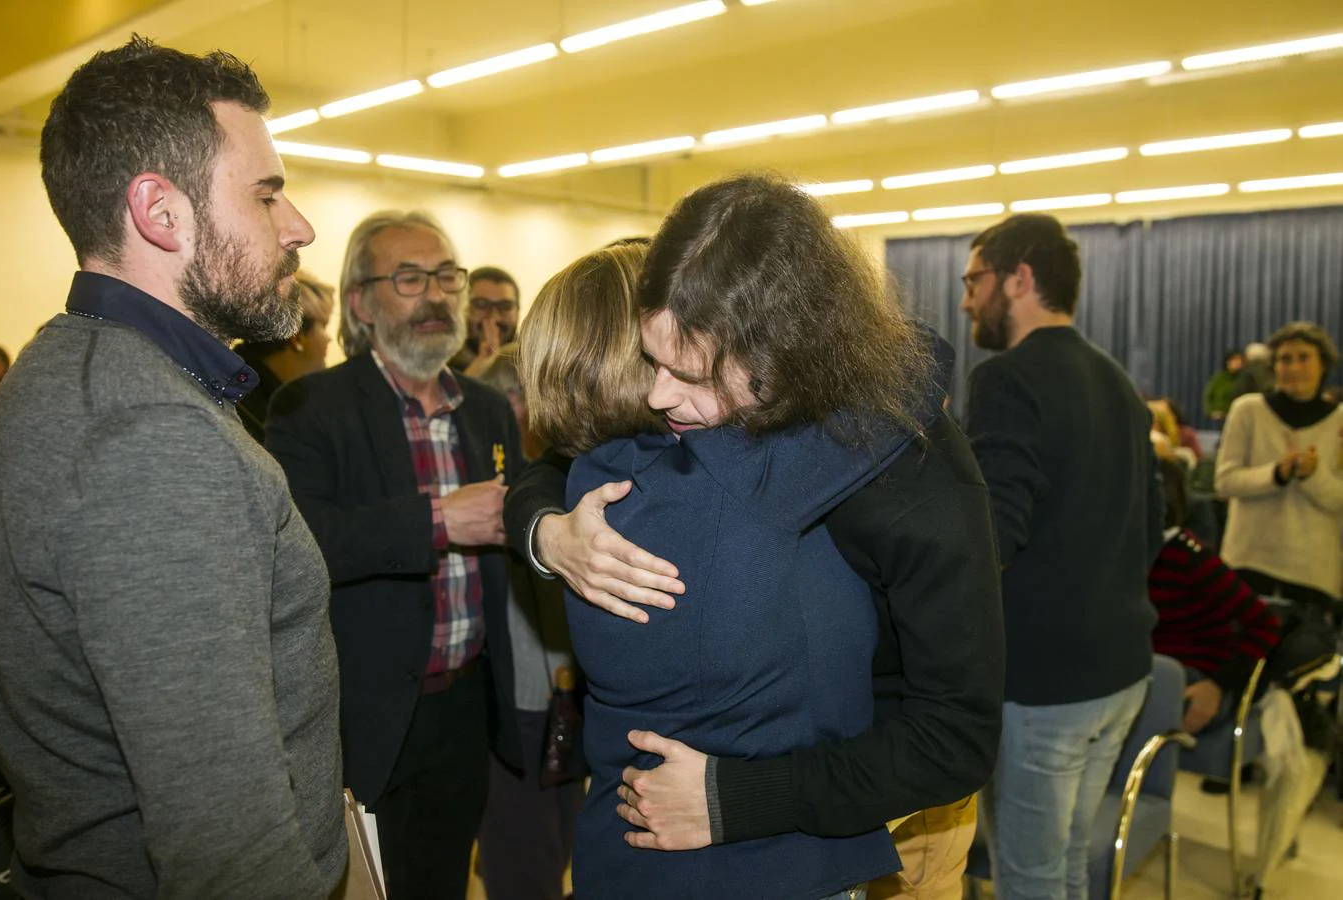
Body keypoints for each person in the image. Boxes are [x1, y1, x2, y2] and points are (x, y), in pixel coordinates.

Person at [506, 175, 1004, 900]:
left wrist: (737, 798)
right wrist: (546, 535)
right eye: (652, 361)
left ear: (784, 349)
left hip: (882, 790)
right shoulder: (712, 425)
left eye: (689, 373)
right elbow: (555, 461)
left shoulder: (910, 474)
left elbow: (954, 740)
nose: (657, 396)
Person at [0, 38, 344, 896]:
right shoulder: (154, 439)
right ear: (161, 211)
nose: (298, 226)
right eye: (266, 194)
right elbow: (227, 848)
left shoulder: (65, 368)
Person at [263, 209, 524, 900]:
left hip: (466, 710)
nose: (436, 295)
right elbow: (302, 544)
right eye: (409, 278)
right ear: (361, 303)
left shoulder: (487, 410)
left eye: (447, 276)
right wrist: (439, 519)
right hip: (367, 715)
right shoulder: (309, 408)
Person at [958, 213, 1161, 900]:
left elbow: (993, 538)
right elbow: (1154, 528)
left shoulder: (1006, 381)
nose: (965, 300)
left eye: (974, 279)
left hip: (1045, 686)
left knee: (1031, 877)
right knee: (1072, 862)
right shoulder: (1119, 384)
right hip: (1123, 672)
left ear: (1019, 279)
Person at [472, 345, 586, 900]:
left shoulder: (555, 473)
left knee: (556, 842)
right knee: (525, 858)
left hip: (562, 698)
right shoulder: (487, 490)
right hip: (517, 704)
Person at [1215, 321, 1343, 622]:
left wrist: (1312, 476)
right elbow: (1225, 481)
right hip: (1249, 563)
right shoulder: (1247, 411)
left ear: (1323, 364)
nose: (1293, 367)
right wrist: (1276, 474)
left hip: (1312, 573)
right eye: (1285, 359)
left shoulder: (1339, 422)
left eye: (1303, 357)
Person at [1149, 458, 1280, 735]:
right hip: (1147, 668)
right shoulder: (1126, 555)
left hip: (1195, 677)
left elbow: (1265, 625)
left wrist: (1218, 685)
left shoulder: (1191, 559)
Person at [235, 269, 335, 441]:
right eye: (323, 326)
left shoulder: (233, 387)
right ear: (297, 337)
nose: (329, 339)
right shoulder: (252, 416)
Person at [449, 265, 520, 376]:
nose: (494, 317)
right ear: (461, 307)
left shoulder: (533, 360)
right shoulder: (439, 359)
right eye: (481, 305)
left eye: (505, 306)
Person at [1204, 349, 1244, 422]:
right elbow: (1208, 397)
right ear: (1227, 362)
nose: (1237, 363)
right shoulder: (1218, 379)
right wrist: (1212, 412)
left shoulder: (1244, 379)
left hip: (1238, 417)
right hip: (1220, 418)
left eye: (1239, 360)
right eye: (1234, 360)